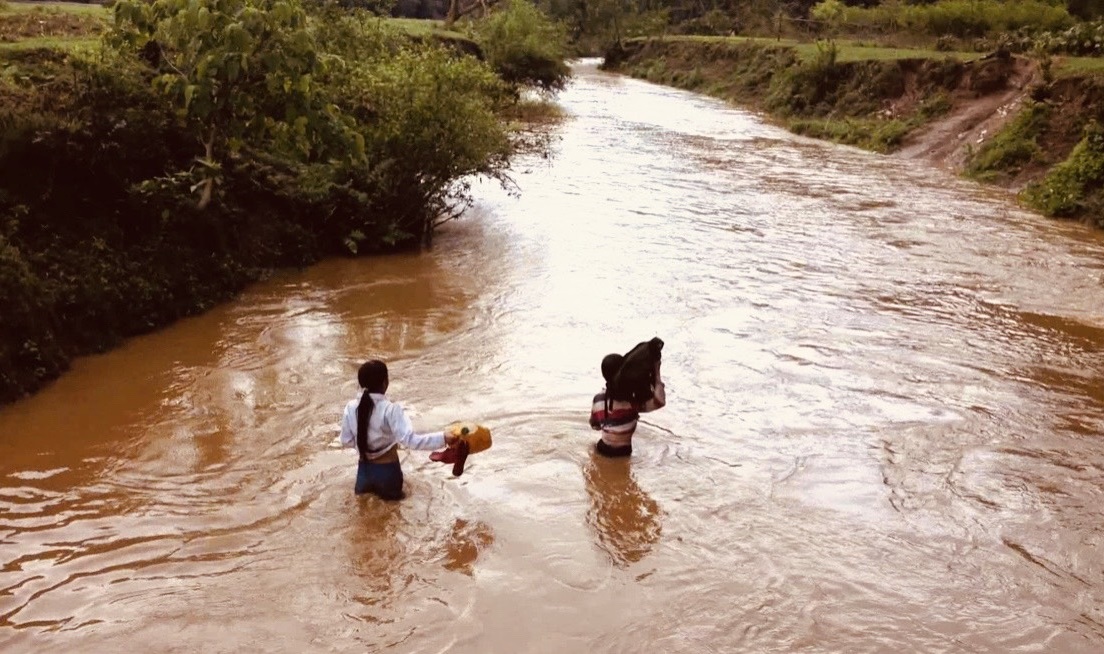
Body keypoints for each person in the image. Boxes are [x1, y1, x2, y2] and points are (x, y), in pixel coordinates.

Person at [339, 360, 458, 500]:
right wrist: (443, 437)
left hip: (363, 473)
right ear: (385, 383)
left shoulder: (351, 407)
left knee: (363, 515)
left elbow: (346, 440)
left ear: (360, 384)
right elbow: (410, 441)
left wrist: (366, 447)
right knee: (393, 516)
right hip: (388, 472)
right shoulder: (391, 409)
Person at [589, 355, 665, 458]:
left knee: (591, 448)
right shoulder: (633, 400)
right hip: (624, 452)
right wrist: (657, 374)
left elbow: (595, 426)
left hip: (603, 449)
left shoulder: (599, 399)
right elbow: (660, 401)